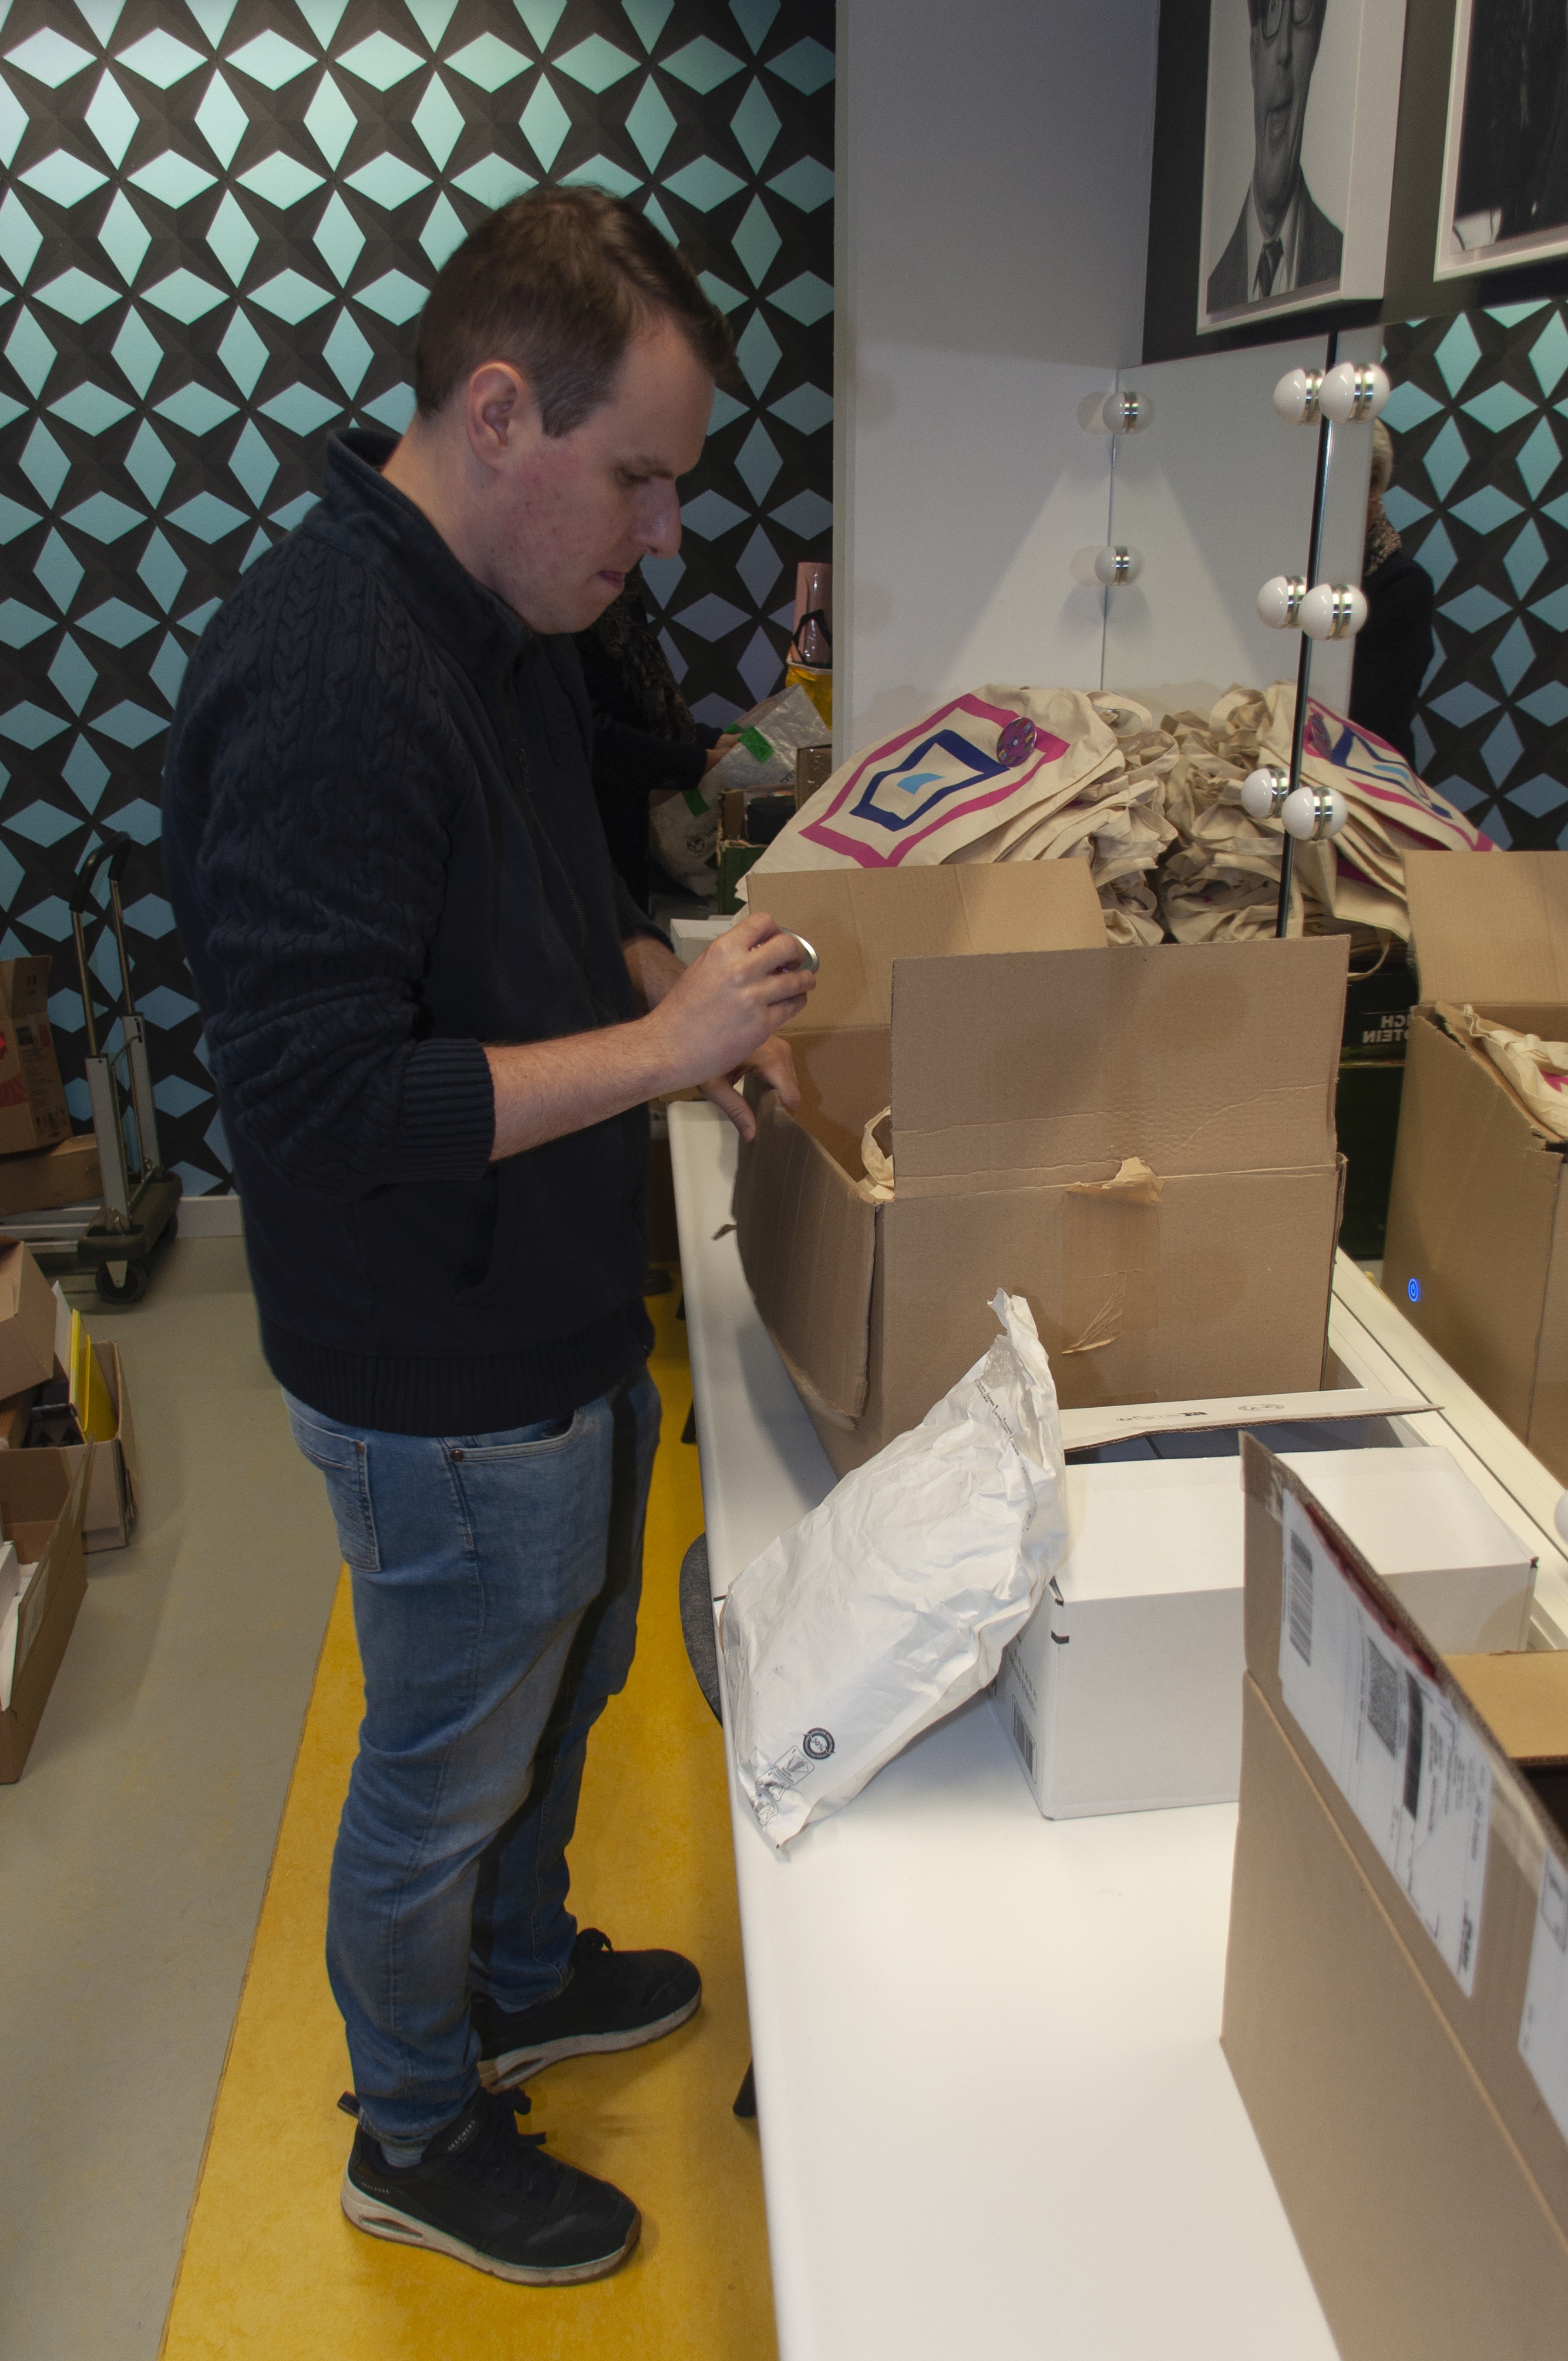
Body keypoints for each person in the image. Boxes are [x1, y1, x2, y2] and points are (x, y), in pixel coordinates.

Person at [161, 187, 815, 2290]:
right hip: (431, 1365)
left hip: (547, 1308)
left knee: (570, 1671)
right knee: (442, 1765)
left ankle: (518, 1973)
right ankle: (416, 2125)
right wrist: (658, 1045)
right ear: (503, 411)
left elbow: (553, 894)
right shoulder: (329, 674)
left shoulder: (501, 626)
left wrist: (661, 999)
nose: (662, 532)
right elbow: (322, 1106)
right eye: (639, 477)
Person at [573, 571, 736, 907]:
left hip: (627, 829)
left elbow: (641, 713)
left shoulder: (622, 591)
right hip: (579, 832)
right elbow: (590, 735)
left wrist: (711, 741)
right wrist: (701, 761)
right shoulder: (556, 612)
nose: (662, 549)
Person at [1206, 0, 1343, 315]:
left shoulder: (1342, 260)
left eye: (1300, 16)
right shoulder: (1215, 291)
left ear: (1316, 46)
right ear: (1253, 54)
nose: (1284, 51)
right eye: (1271, 16)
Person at [1349, 420, 1435, 771]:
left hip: (1370, 769)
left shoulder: (1405, 585)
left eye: (1369, 483)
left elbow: (1373, 708)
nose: (1357, 497)